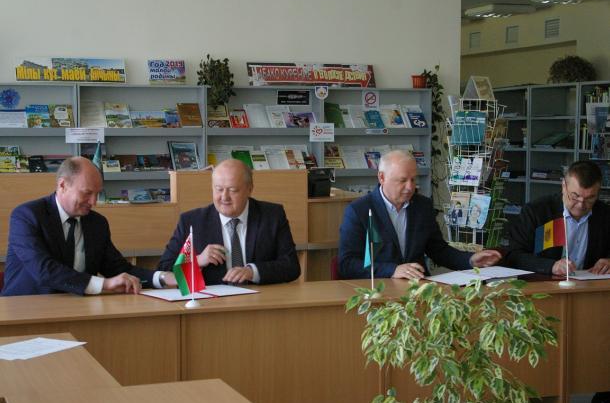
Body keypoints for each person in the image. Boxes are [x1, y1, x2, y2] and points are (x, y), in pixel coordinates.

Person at [2, 157, 177, 296]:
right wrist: (104, 284)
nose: (93, 202)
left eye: (97, 194)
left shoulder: (97, 223)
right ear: (62, 185)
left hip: (79, 311)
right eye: (87, 193)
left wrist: (161, 277)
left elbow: (119, 269)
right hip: (26, 310)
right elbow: (44, 270)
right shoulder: (27, 216)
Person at [339, 150, 502, 280]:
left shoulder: (422, 206)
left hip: (418, 290)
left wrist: (471, 260)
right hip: (378, 291)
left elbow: (438, 250)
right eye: (402, 180)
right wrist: (393, 270)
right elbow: (347, 264)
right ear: (382, 177)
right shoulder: (359, 210)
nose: (410, 187)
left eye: (413, 179)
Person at [158, 159, 300, 284]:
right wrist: (198, 260)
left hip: (261, 299)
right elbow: (164, 268)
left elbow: (291, 266)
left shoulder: (272, 216)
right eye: (219, 189)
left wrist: (253, 272)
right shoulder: (191, 221)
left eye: (233, 190)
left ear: (249, 189)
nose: (224, 197)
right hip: (212, 302)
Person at [507, 160, 610, 276]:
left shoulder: (605, 214)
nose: (581, 205)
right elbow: (514, 256)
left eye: (590, 198)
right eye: (575, 196)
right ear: (564, 186)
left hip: (590, 284)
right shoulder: (537, 211)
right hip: (544, 283)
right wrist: (552, 266)